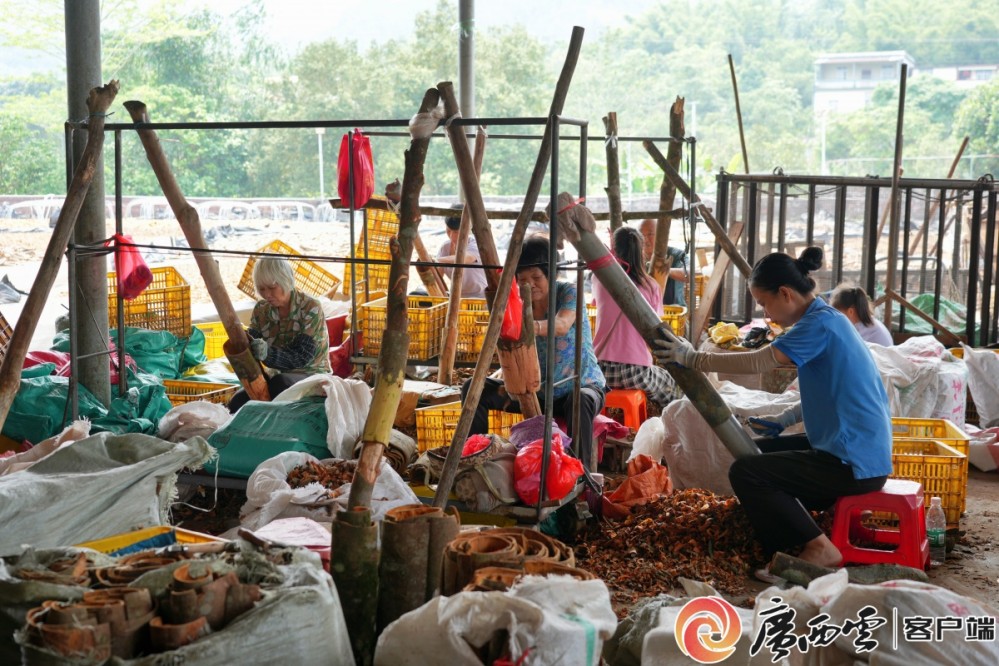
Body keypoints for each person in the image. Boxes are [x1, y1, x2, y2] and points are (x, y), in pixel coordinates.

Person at [652, 246, 892, 575]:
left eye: (765, 303)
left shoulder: (819, 324)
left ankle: (818, 548)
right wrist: (784, 419)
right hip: (855, 452)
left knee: (747, 472)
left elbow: (761, 360)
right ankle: (794, 539)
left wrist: (693, 358)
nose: (766, 314)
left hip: (853, 463)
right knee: (758, 455)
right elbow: (830, 394)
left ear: (785, 293)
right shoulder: (827, 319)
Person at [461, 236, 606, 467]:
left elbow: (562, 325)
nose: (529, 285)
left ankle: (580, 473)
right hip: (538, 392)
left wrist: (529, 327)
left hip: (578, 387)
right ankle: (476, 460)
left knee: (579, 400)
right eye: (522, 279)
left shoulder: (568, 292)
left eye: (536, 277)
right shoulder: (517, 302)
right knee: (473, 388)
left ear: (551, 274)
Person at [227, 257, 331, 413]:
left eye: (272, 288)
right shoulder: (261, 309)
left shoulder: (310, 307)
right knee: (237, 402)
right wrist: (243, 342)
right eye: (262, 289)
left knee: (279, 384)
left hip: (311, 375)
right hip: (277, 374)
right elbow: (251, 342)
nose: (267, 294)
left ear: (286, 280)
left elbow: (301, 356)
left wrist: (267, 354)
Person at [593, 226, 676, 406]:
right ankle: (666, 418)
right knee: (670, 382)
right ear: (641, 253)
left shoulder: (598, 278)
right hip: (635, 373)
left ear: (613, 249)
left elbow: (596, 304)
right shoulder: (651, 286)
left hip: (599, 370)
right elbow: (654, 330)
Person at [436, 207, 487, 299]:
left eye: (456, 232)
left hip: (480, 297)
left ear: (466, 230)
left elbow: (465, 258)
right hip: (456, 297)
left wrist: (437, 260)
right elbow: (438, 276)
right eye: (448, 231)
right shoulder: (445, 247)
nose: (451, 236)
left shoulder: (476, 244)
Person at [639, 218, 689, 306]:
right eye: (641, 235)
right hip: (646, 309)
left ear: (660, 236)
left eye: (650, 234)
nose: (645, 240)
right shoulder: (635, 257)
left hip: (674, 310)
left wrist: (664, 270)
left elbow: (690, 274)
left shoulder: (677, 255)